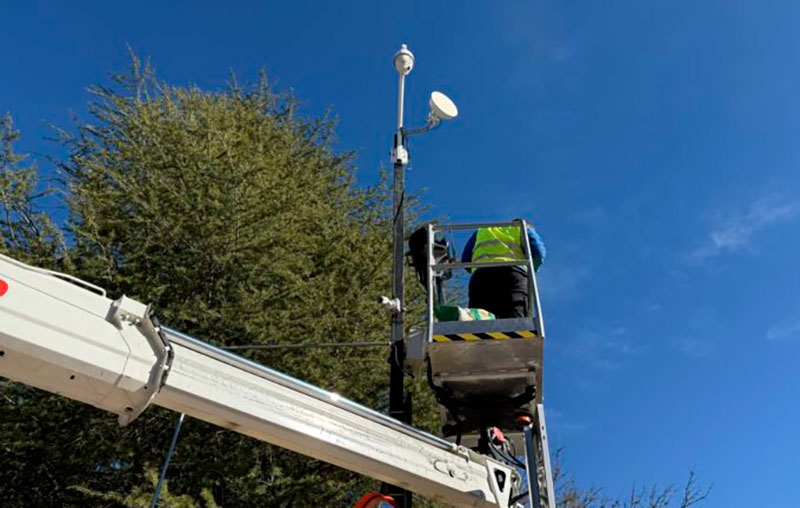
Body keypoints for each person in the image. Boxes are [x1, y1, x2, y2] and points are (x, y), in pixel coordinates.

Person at [461, 221, 546, 319]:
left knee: (480, 315)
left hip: (481, 275)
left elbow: (465, 259)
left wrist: (476, 269)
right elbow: (538, 252)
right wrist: (531, 270)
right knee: (515, 313)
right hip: (512, 273)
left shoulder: (482, 230)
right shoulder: (523, 228)